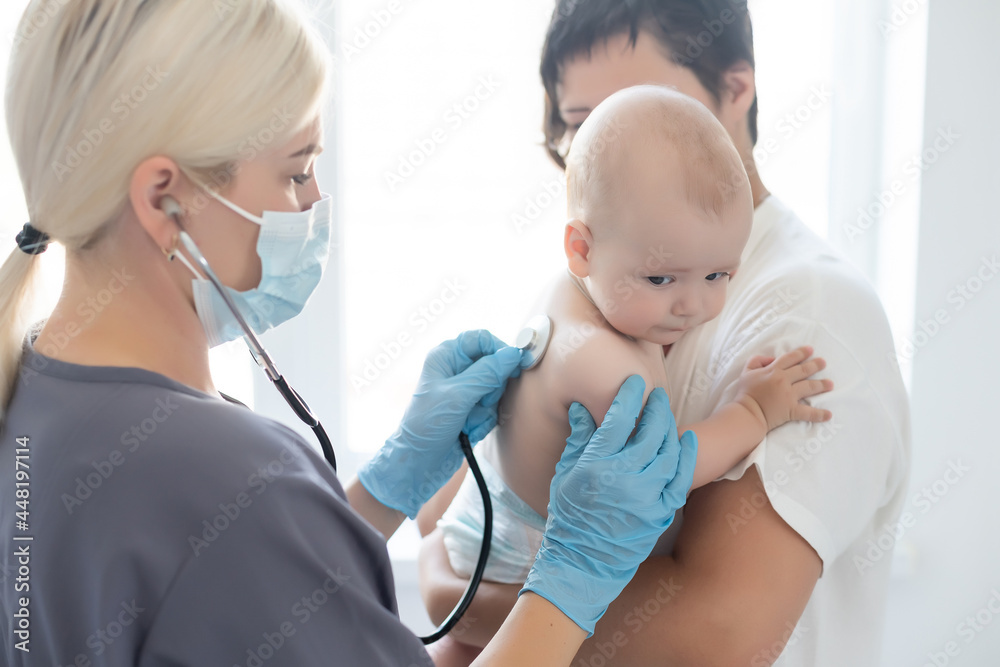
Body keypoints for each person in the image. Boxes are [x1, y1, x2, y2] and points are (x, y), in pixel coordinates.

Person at [0, 2, 697, 666]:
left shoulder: (36, 397)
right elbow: (226, 549)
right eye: (297, 170)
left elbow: (230, 602)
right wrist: (574, 575)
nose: (313, 204)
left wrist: (382, 490)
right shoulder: (224, 479)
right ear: (162, 199)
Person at [418, 2, 911, 665]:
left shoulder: (809, 310)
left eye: (640, 104)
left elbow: (715, 637)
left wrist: (466, 596)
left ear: (736, 89)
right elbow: (446, 510)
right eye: (579, 125)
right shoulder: (603, 285)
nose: (609, 144)